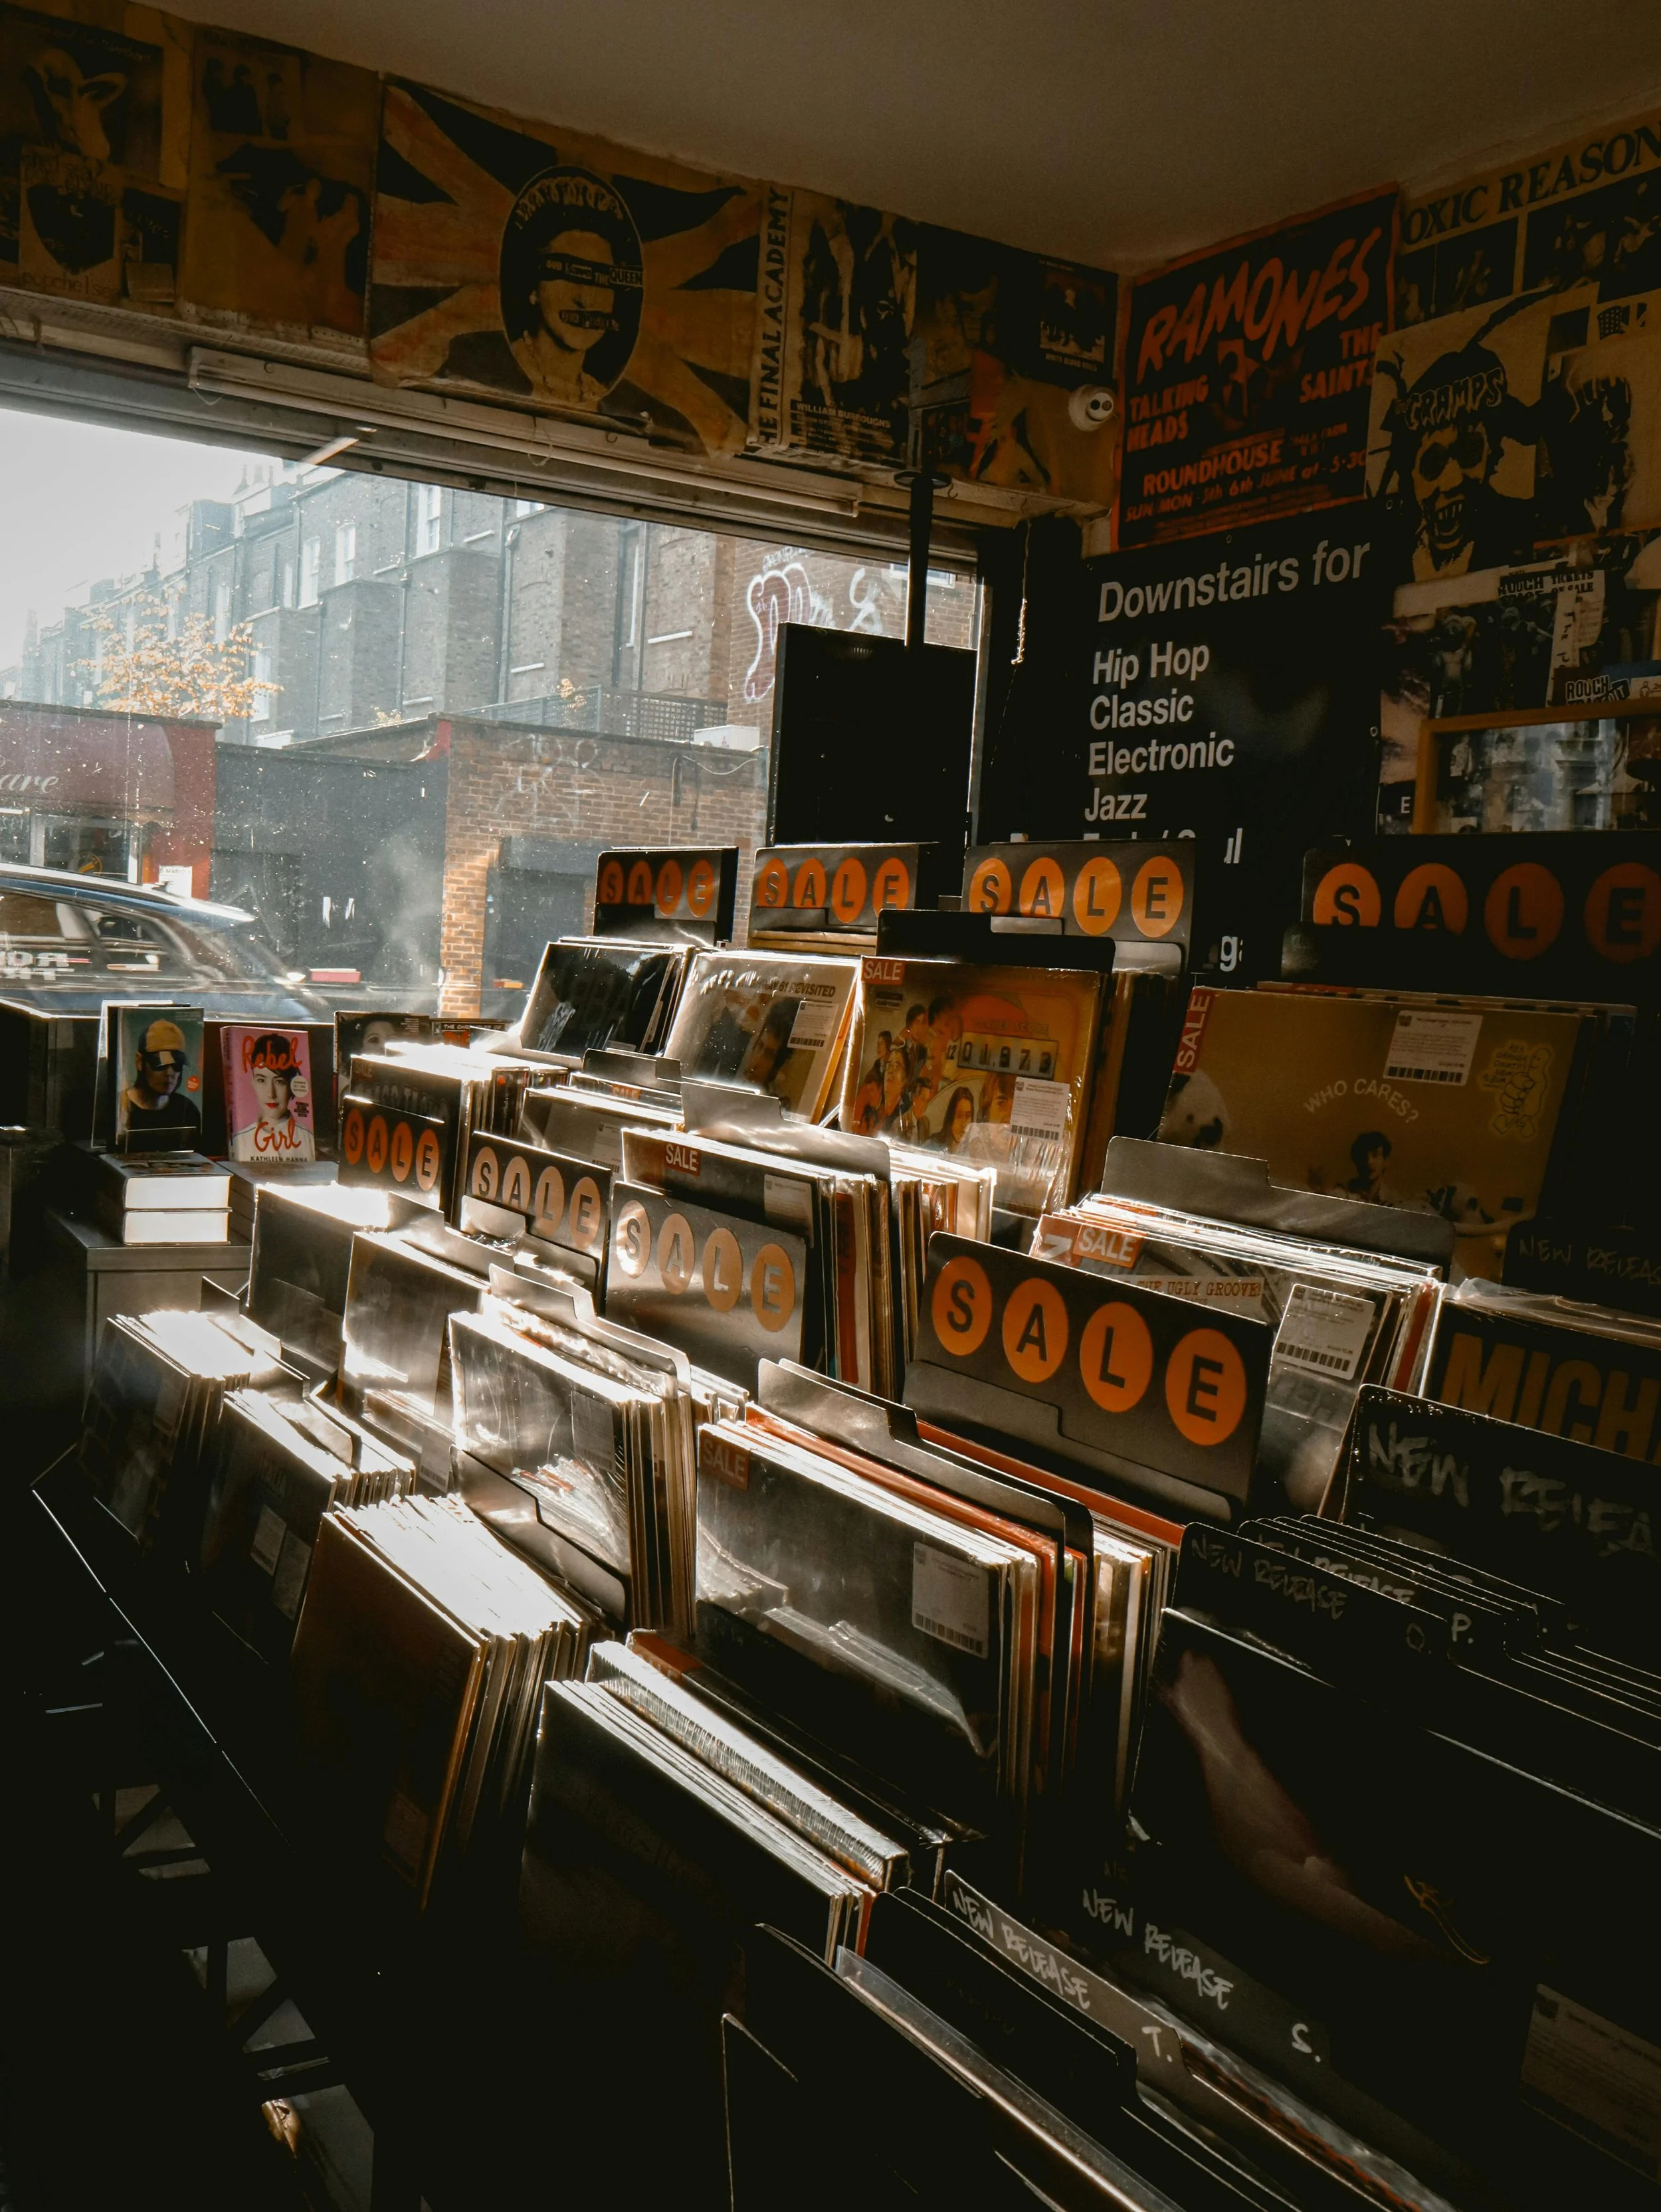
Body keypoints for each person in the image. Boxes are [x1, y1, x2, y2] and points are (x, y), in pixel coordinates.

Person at [500, 168, 644, 410]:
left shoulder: (595, 390)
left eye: (602, 281)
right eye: (568, 275)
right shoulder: (502, 369)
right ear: (534, 288)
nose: (586, 299)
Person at [231, 1030, 315, 1164]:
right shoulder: (239, 1142)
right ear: (253, 1082)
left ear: (291, 1084)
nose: (271, 1094)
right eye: (262, 1080)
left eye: (280, 1081)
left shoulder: (309, 1141)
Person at [120, 1016, 201, 1144]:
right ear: (140, 1062)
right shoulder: (120, 1107)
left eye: (177, 1065)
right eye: (160, 1063)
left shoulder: (188, 1111)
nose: (169, 1073)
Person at [1345, 1129, 1391, 1201]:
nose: (1369, 1162)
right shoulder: (1343, 1195)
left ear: (1386, 1161)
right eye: (1363, 1156)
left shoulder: (1394, 1201)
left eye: (1375, 1155)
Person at [937, 1085, 976, 1154]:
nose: (964, 1124)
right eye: (959, 1116)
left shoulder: (974, 1152)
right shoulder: (934, 1146)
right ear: (950, 1117)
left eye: (968, 1116)